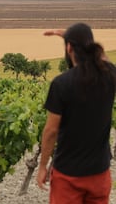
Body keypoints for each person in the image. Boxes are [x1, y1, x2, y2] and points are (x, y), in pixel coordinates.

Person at [36, 23, 116, 204]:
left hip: (68, 174)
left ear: (69, 48)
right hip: (100, 173)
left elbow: (51, 131)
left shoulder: (62, 83)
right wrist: (75, 38)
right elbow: (104, 58)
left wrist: (42, 167)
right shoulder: (109, 75)